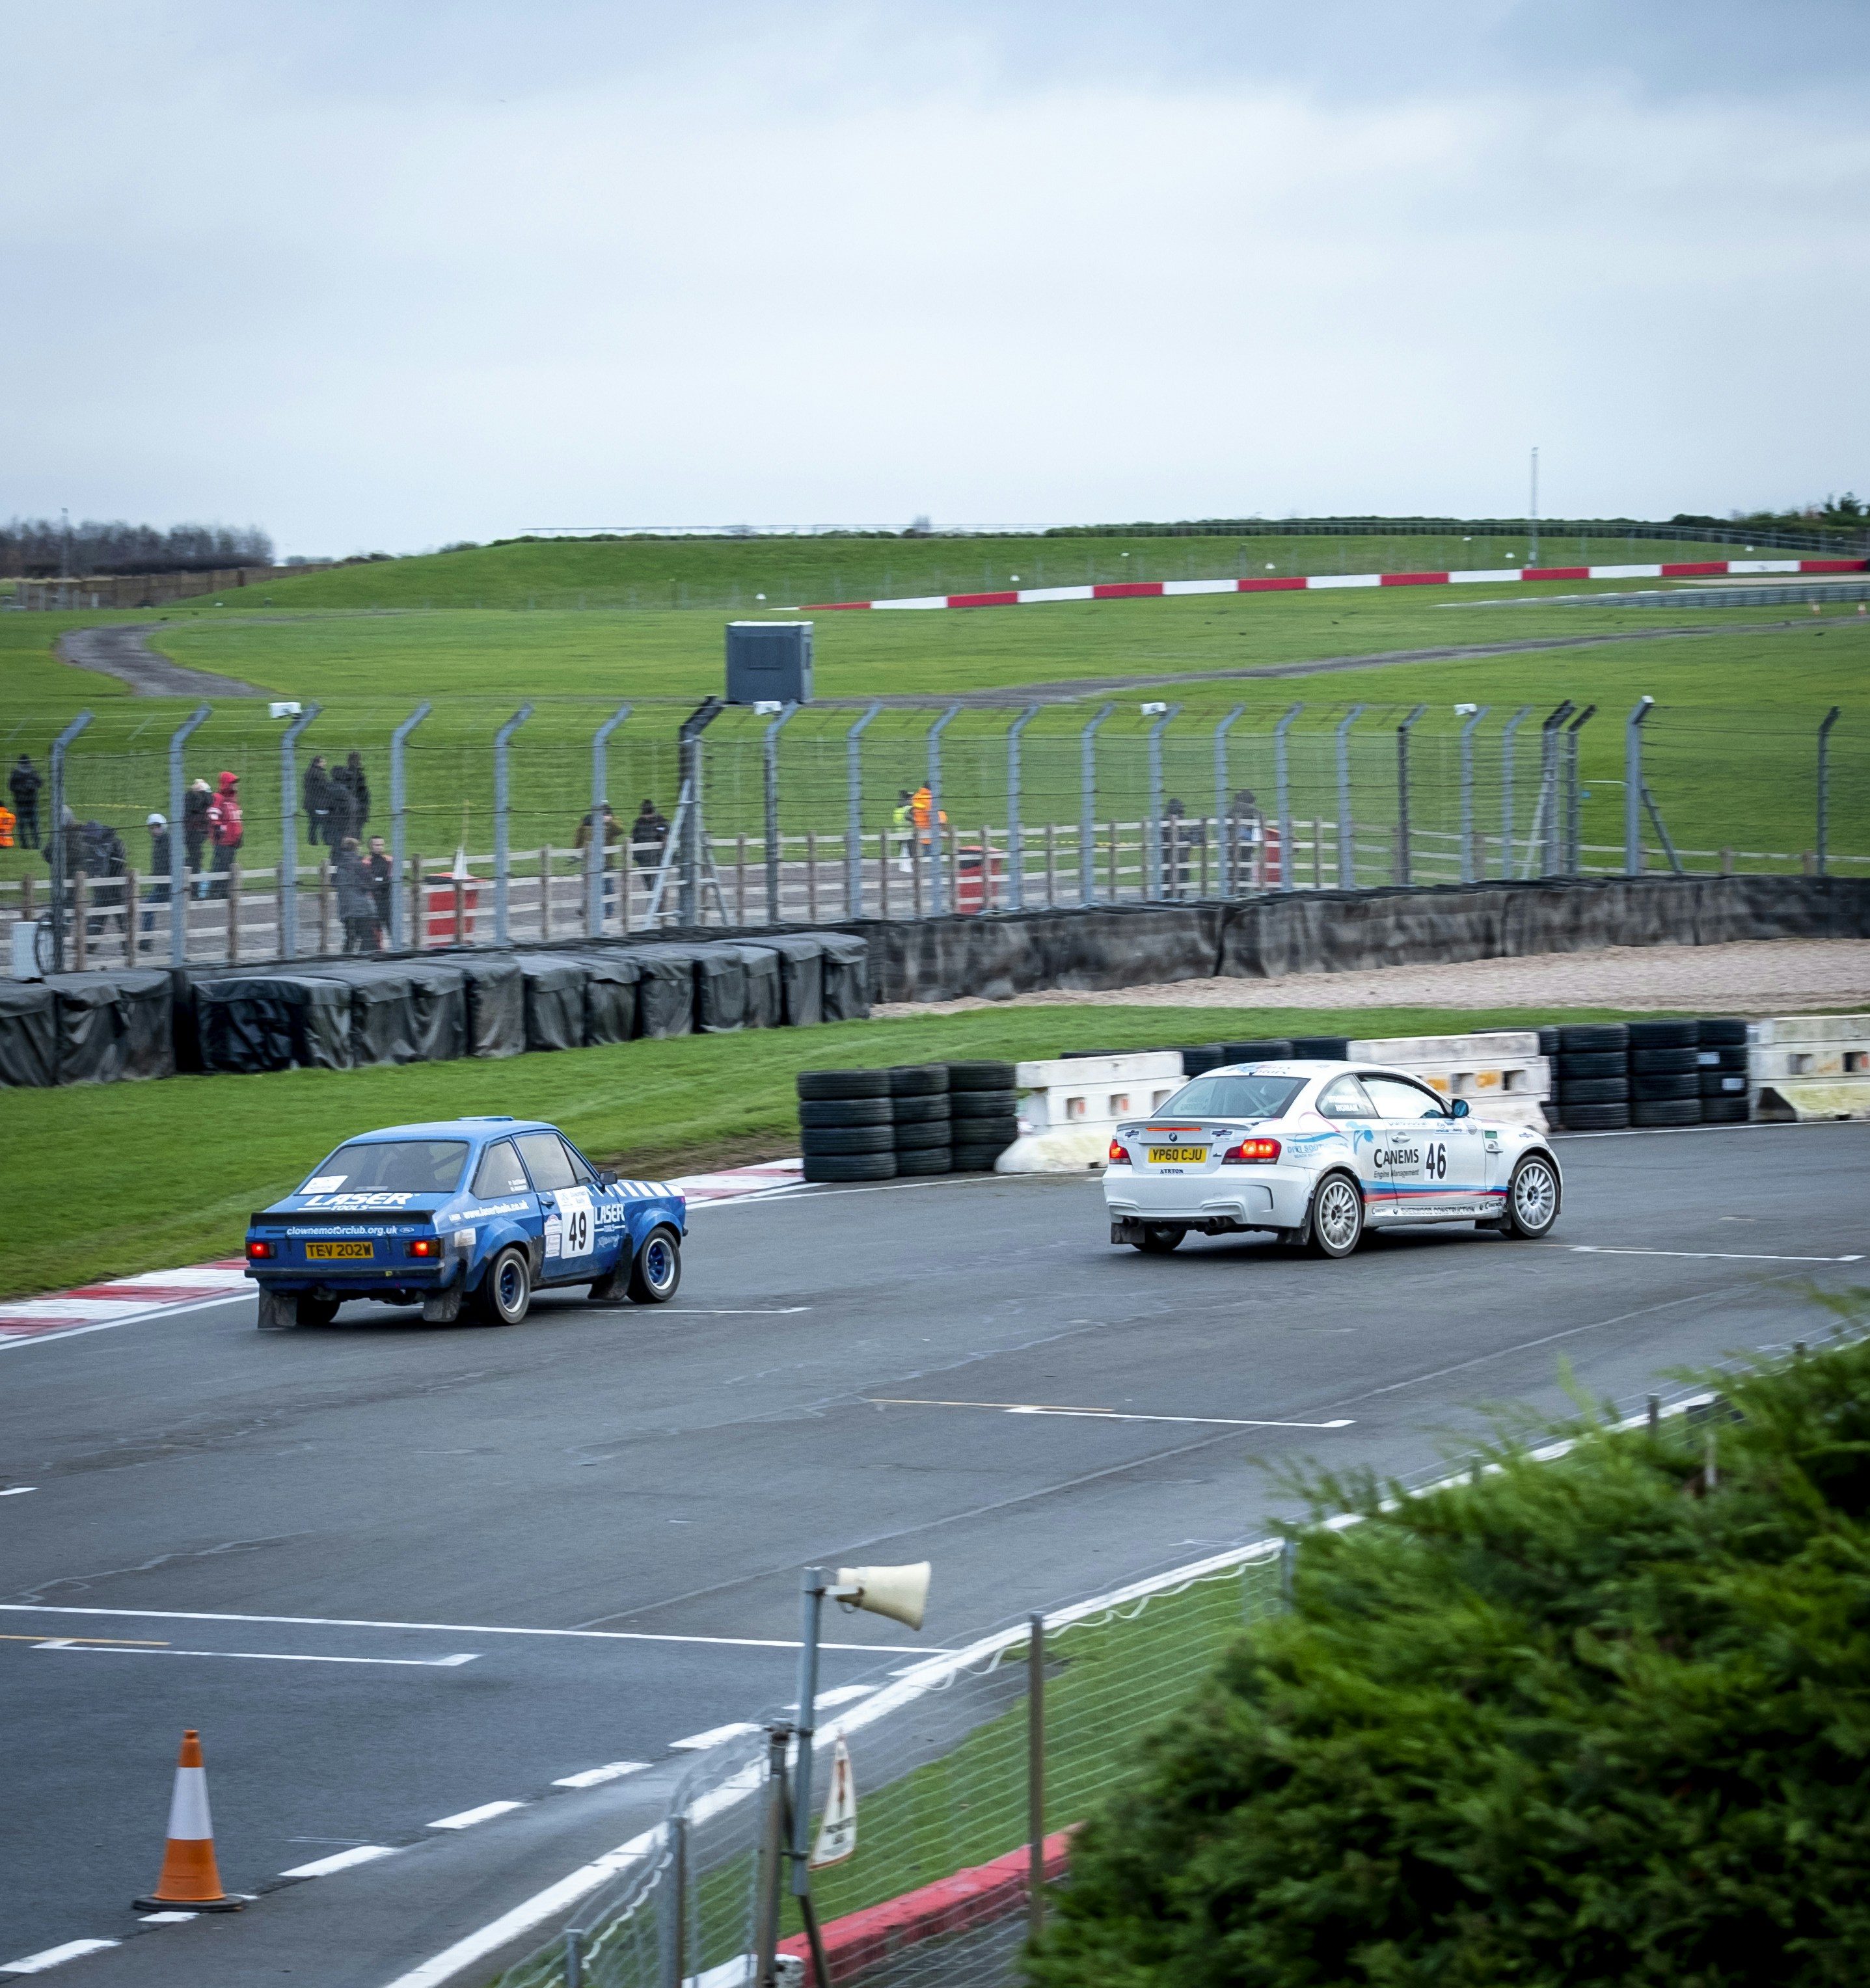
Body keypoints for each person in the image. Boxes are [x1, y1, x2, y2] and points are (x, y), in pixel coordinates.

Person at [575, 803, 624, 919]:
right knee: (588, 886)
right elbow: (579, 838)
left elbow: (620, 830)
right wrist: (576, 853)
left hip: (607, 863)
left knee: (607, 887)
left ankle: (608, 911)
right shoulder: (588, 822)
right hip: (590, 862)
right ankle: (587, 909)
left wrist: (609, 820)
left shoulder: (611, 825)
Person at [206, 770, 243, 900]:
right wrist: (218, 827)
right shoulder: (218, 797)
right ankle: (214, 891)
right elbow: (212, 813)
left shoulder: (233, 801)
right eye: (234, 783)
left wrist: (240, 834)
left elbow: (237, 820)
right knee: (219, 866)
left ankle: (224, 891)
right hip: (222, 841)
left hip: (232, 841)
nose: (236, 786)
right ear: (227, 784)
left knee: (228, 866)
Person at [334, 835, 375, 953]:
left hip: (345, 906)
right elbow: (367, 882)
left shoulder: (340, 865)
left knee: (350, 937)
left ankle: (346, 957)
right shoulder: (357, 864)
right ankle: (363, 957)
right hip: (360, 907)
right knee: (368, 936)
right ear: (356, 848)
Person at [141, 813, 171, 952]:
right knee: (147, 909)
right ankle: (146, 942)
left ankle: (146, 942)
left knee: (148, 908)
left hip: (168, 886)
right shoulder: (158, 842)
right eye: (152, 828)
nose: (154, 831)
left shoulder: (168, 842)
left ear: (162, 826)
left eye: (156, 827)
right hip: (161, 885)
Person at [1163, 796, 1204, 899]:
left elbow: (1183, 838)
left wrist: (1193, 834)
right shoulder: (1167, 823)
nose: (1182, 815)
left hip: (1181, 863)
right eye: (1180, 812)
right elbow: (1177, 838)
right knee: (1171, 892)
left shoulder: (1176, 823)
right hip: (1172, 864)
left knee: (1181, 889)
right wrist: (1191, 835)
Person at [329, 750, 370, 846]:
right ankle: (352, 846)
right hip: (356, 807)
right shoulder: (357, 775)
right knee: (354, 830)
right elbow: (363, 793)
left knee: (349, 829)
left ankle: (348, 845)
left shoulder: (344, 774)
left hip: (349, 808)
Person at [183, 779, 213, 896]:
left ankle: (194, 890)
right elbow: (205, 801)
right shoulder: (194, 801)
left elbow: (208, 800)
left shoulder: (194, 799)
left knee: (195, 860)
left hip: (194, 835)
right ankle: (194, 891)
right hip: (193, 835)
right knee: (195, 861)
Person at [365, 834, 393, 948]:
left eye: (381, 845)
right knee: (375, 929)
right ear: (371, 846)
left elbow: (392, 878)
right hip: (373, 900)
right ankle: (378, 950)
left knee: (392, 928)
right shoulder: (366, 862)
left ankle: (396, 949)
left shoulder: (389, 860)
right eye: (376, 845)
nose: (379, 847)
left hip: (387, 900)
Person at [8, 755, 41, 851]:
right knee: (25, 827)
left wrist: (30, 786)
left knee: (32, 826)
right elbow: (11, 787)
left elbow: (39, 783)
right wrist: (24, 788)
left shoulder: (31, 773)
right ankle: (26, 845)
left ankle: (35, 844)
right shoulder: (18, 774)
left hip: (28, 804)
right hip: (24, 804)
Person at [303, 755, 334, 847]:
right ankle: (326, 840)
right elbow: (325, 786)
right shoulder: (318, 774)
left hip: (309, 802)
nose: (325, 763)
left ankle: (313, 840)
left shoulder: (309, 772)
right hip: (318, 802)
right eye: (323, 762)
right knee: (325, 822)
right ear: (318, 763)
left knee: (313, 822)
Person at [630, 798, 670, 868]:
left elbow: (663, 831)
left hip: (653, 857)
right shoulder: (658, 822)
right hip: (646, 858)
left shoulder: (640, 824)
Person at [891, 788, 914, 872]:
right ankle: (910, 870)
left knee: (903, 851)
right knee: (911, 853)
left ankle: (904, 869)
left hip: (900, 833)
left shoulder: (897, 809)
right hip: (909, 833)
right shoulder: (908, 809)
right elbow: (912, 819)